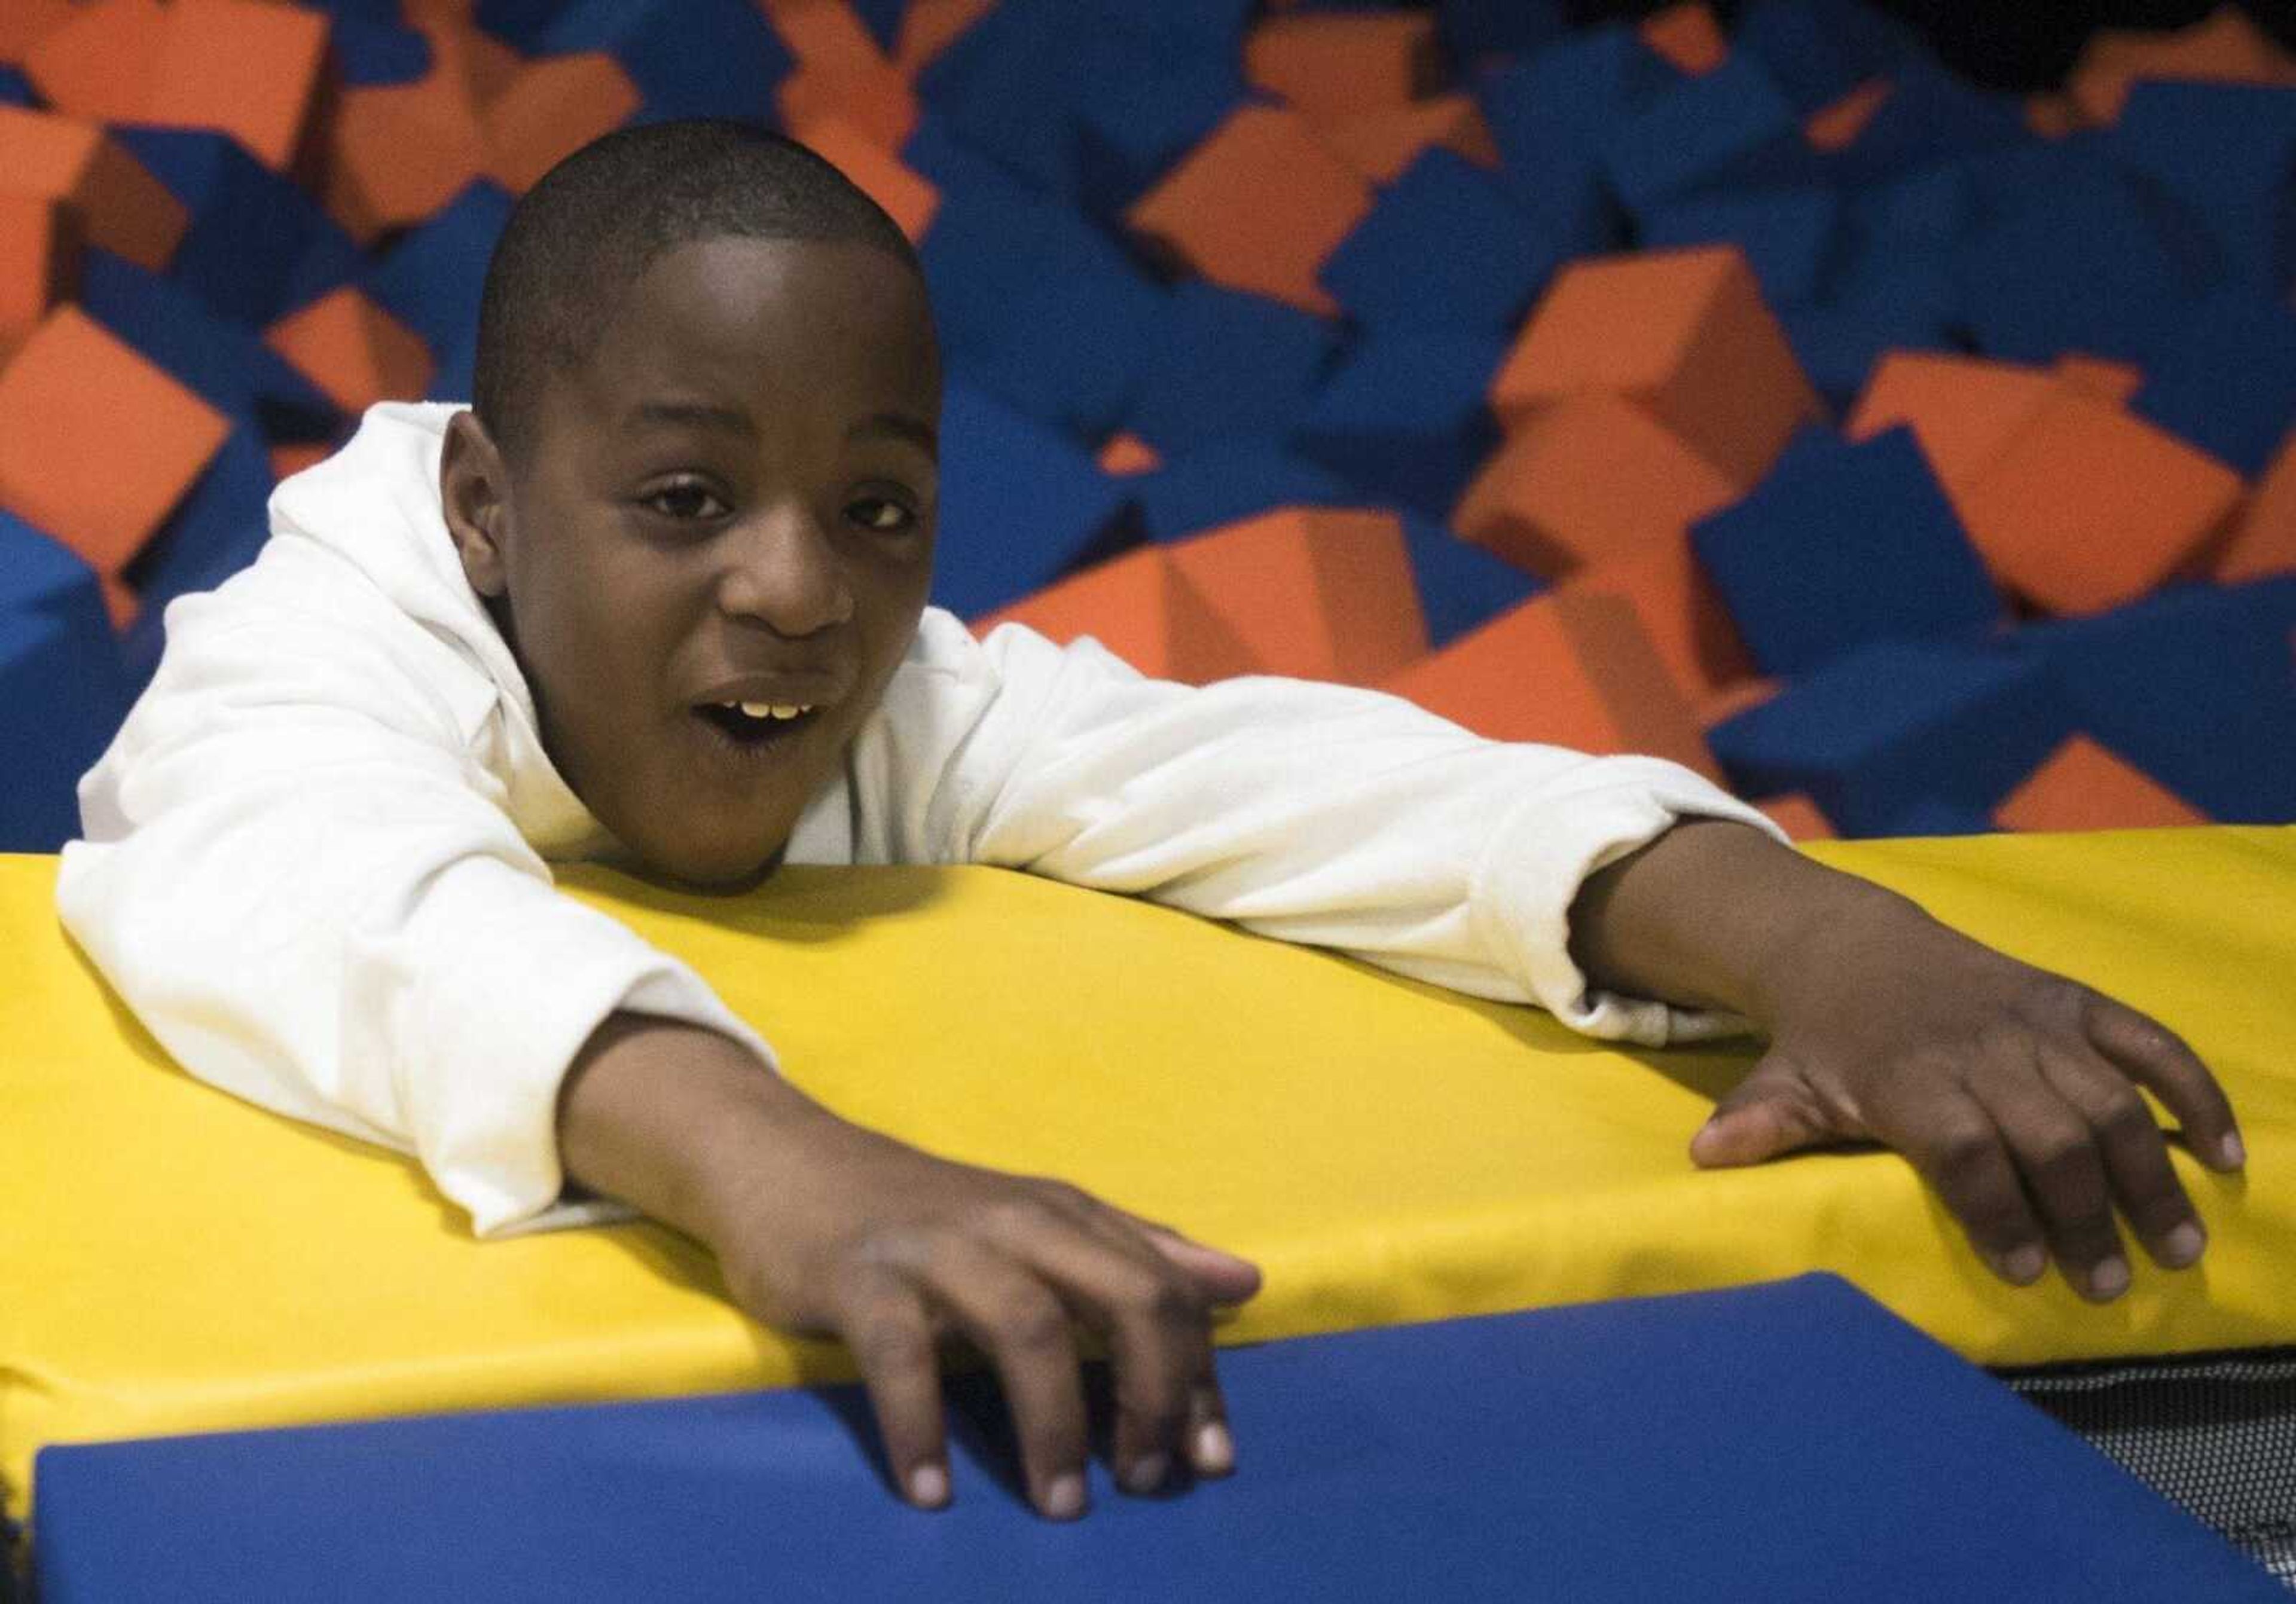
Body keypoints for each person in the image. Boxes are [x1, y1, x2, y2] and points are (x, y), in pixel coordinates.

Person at [57, 120, 2243, 1523]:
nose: (800, 589)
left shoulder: (880, 700)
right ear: (486, 510)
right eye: (686, 499)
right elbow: (319, 876)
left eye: (879, 508)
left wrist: (1814, 942)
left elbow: (1274, 775)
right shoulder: (306, 644)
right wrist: (770, 1154)